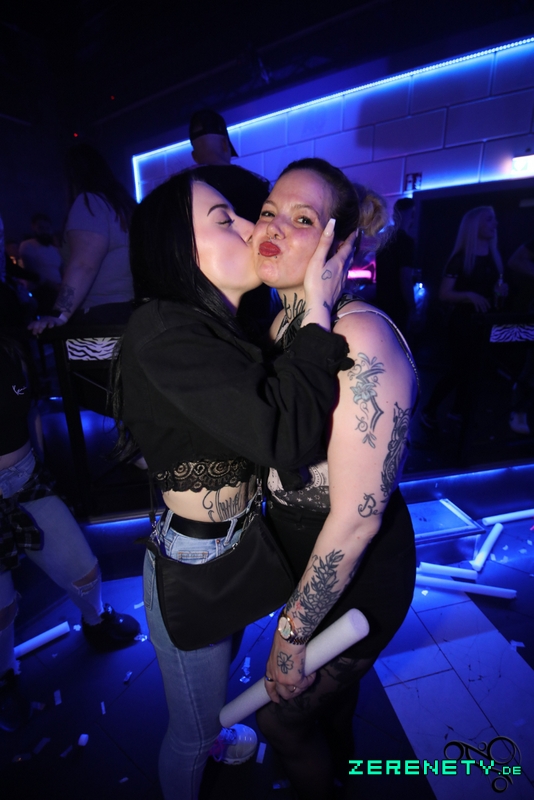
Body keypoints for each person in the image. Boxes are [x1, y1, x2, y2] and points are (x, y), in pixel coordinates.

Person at [114, 168, 357, 800]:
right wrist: (319, 309)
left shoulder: (219, 325)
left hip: (241, 544)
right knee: (191, 733)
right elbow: (286, 434)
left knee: (215, 691)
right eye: (225, 220)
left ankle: (215, 738)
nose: (251, 228)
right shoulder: (163, 328)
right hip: (195, 567)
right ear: (176, 248)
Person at [250, 158, 419, 799]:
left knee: (279, 721)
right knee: (328, 711)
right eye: (269, 211)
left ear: (340, 244)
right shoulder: (279, 326)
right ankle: (338, 767)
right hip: (303, 558)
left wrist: (290, 634)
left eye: (302, 219)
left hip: (360, 578)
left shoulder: (361, 337)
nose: (273, 227)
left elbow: (357, 518)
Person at [0, 335, 140, 733]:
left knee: (84, 570)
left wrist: (38, 466)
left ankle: (96, 621)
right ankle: (5, 676)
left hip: (26, 480)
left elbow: (29, 410)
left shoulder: (7, 344)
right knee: (2, 608)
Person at [28, 143, 136, 333]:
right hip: (131, 313)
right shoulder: (124, 207)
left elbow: (83, 264)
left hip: (99, 317)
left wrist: (59, 314)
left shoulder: (90, 203)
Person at [420, 206, 508, 429]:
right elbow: (444, 293)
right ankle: (430, 409)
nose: (495, 224)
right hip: (462, 322)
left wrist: (501, 292)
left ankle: (458, 410)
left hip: (485, 321)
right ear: (475, 225)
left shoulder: (494, 257)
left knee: (475, 370)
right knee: (459, 369)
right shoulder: (460, 259)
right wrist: (469, 295)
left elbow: (494, 290)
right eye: (489, 220)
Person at [374, 197, 416, 337]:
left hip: (382, 299)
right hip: (398, 303)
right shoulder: (406, 241)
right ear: (411, 215)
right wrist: (412, 307)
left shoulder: (383, 238)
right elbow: (405, 277)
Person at [19, 214, 63, 315]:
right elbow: (32, 271)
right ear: (33, 228)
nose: (45, 231)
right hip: (40, 291)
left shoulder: (55, 250)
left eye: (47, 228)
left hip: (58, 290)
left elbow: (61, 270)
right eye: (41, 228)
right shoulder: (27, 245)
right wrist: (55, 286)